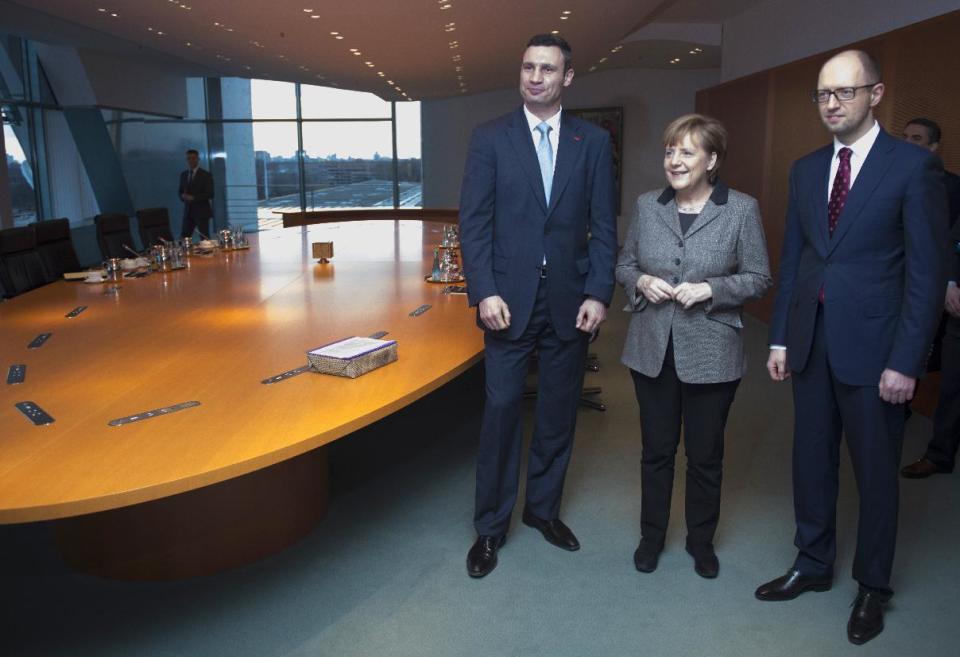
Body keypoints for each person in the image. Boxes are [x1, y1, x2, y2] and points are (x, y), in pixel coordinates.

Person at [756, 50, 948, 645]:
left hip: (877, 354)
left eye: (844, 92)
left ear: (876, 94)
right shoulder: (806, 168)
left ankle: (872, 586)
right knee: (810, 464)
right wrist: (782, 335)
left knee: (874, 476)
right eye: (822, 94)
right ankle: (812, 564)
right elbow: (797, 261)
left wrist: (906, 361)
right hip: (811, 344)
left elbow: (926, 273)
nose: (831, 103)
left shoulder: (913, 168)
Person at [459, 33, 617, 578]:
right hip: (507, 301)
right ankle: (490, 528)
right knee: (502, 413)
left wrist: (599, 291)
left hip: (571, 302)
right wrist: (484, 290)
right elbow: (473, 224)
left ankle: (543, 512)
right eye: (528, 67)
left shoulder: (591, 143)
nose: (535, 77)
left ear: (567, 78)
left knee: (555, 414)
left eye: (547, 69)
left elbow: (604, 227)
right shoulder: (490, 139)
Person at [616, 114, 771, 579]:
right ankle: (652, 537)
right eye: (669, 151)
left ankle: (701, 542)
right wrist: (641, 279)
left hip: (712, 351)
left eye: (687, 151)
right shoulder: (648, 205)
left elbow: (760, 278)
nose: (675, 160)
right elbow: (624, 265)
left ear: (712, 160)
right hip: (651, 349)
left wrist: (711, 290)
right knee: (656, 451)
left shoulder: (741, 209)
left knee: (705, 456)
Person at [901, 118, 960, 226]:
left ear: (932, 147)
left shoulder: (951, 185)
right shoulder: (887, 175)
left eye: (916, 138)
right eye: (904, 137)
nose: (907, 142)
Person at [179, 149, 214, 239]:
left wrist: (193, 198)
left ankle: (207, 253)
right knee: (184, 237)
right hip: (188, 212)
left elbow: (210, 194)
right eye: (189, 158)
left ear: (198, 159)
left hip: (201, 212)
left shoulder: (206, 175)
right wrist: (182, 196)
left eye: (193, 158)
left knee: (204, 238)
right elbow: (180, 191)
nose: (191, 160)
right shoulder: (184, 174)